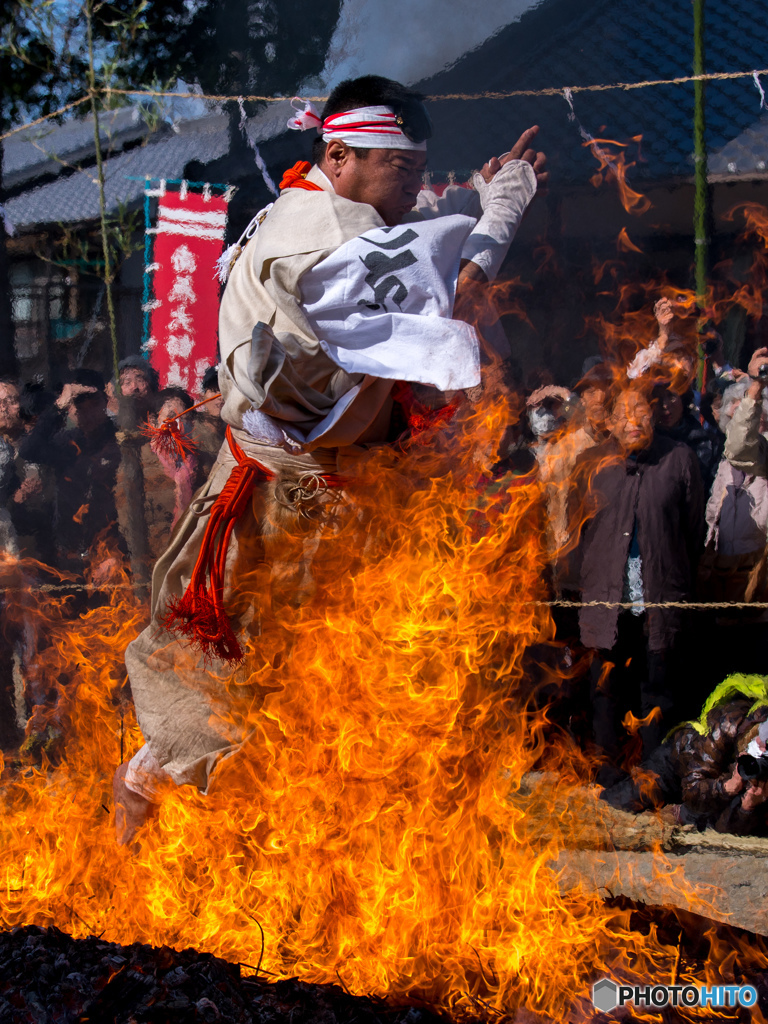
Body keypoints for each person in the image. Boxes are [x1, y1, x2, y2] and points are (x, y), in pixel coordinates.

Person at [114, 74, 548, 844]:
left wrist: (472, 197)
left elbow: (410, 244)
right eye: (402, 172)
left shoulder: (313, 203)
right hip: (285, 495)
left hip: (315, 481)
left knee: (310, 683)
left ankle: (235, 822)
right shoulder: (321, 238)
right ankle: (153, 800)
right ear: (341, 155)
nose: (414, 189)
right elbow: (460, 294)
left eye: (420, 172)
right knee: (251, 681)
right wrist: (502, 212)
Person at [571, 386, 705, 785]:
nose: (633, 422)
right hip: (604, 599)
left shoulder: (679, 459)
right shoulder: (591, 463)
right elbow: (577, 530)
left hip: (659, 601)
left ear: (654, 416)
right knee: (606, 689)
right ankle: (607, 773)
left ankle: (652, 776)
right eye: (623, 414)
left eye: (641, 412)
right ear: (609, 422)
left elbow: (692, 531)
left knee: (657, 690)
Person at [600, 674, 768, 837]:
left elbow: (725, 831)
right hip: (679, 764)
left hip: (711, 796)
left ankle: (680, 815)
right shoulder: (727, 725)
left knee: (702, 819)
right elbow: (693, 790)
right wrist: (728, 787)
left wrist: (747, 808)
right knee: (612, 806)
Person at [19, 369, 123, 579]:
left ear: (105, 402)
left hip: (113, 555)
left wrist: (120, 554)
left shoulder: (121, 441)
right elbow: (29, 450)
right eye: (77, 406)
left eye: (94, 404)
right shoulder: (65, 443)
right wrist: (57, 406)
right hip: (68, 556)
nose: (87, 413)